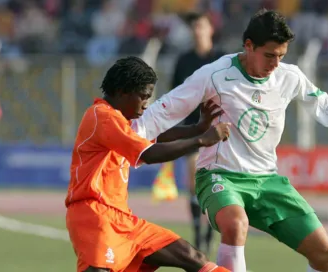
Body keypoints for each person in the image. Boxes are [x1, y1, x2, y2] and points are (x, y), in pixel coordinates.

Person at [132, 9, 328, 272]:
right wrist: (124, 137)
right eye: (270, 55)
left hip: (267, 180)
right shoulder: (214, 74)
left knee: (326, 252)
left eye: (281, 56)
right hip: (219, 176)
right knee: (236, 224)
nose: (275, 64)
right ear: (248, 46)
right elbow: (164, 109)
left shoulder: (289, 76)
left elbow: (327, 106)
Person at [64, 56, 232, 272]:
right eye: (143, 97)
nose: (146, 105)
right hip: (94, 215)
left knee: (192, 256)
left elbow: (157, 136)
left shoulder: (120, 122)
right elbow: (150, 153)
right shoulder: (102, 116)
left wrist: (197, 129)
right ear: (124, 91)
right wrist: (201, 140)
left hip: (122, 219)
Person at [172, 12, 226, 256]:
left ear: (210, 30)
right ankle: (197, 234)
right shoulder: (183, 61)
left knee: (215, 183)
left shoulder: (221, 59)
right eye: (194, 26)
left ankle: (210, 232)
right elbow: (174, 95)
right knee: (194, 181)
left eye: (201, 26)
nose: (197, 31)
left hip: (218, 130)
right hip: (193, 129)